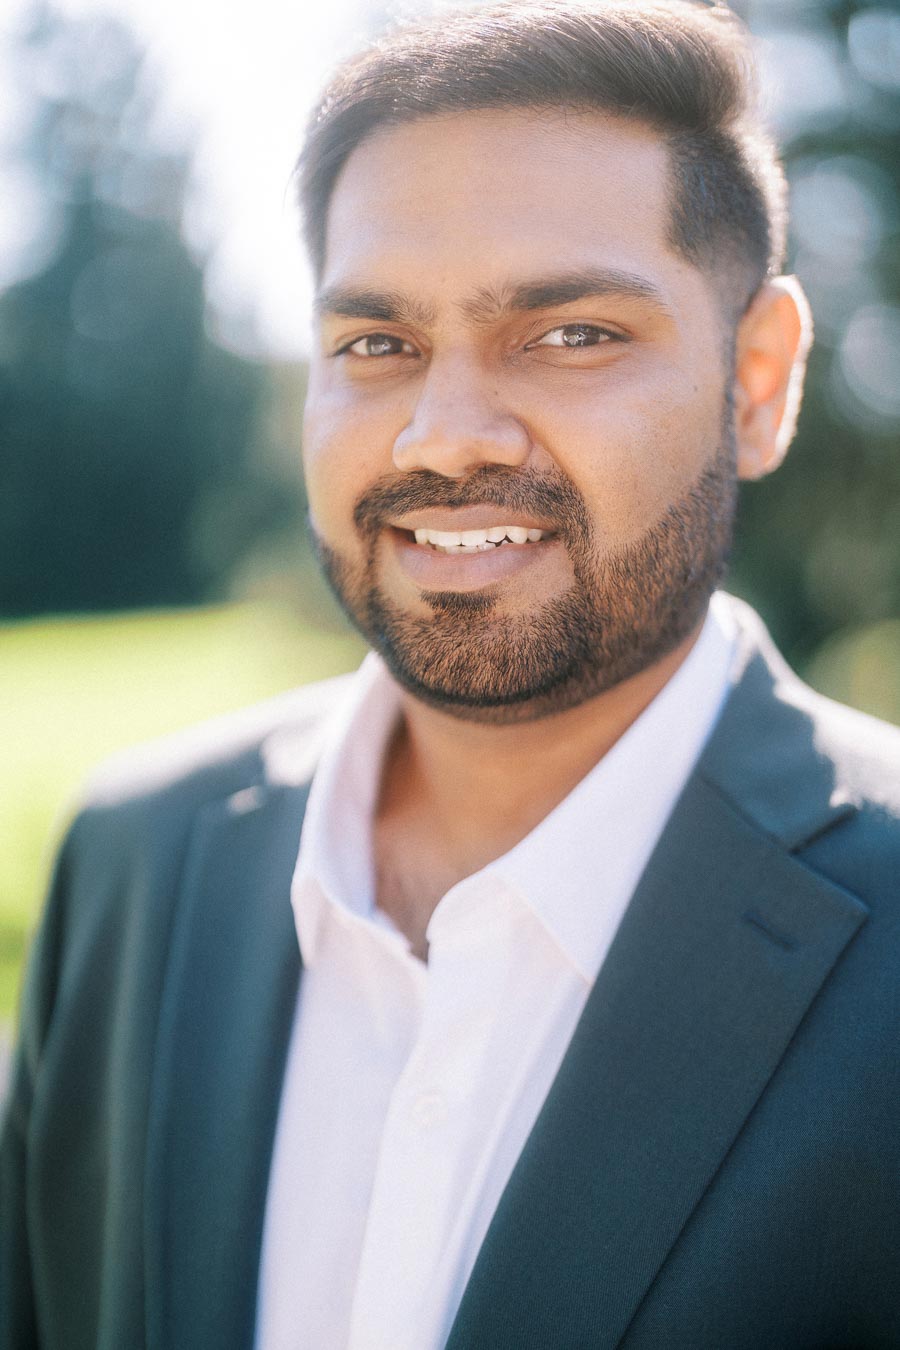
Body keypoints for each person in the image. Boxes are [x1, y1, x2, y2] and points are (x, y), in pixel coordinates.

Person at [2, 0, 899, 1346]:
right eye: (378, 344)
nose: (445, 436)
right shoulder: (134, 857)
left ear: (757, 380)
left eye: (572, 333)